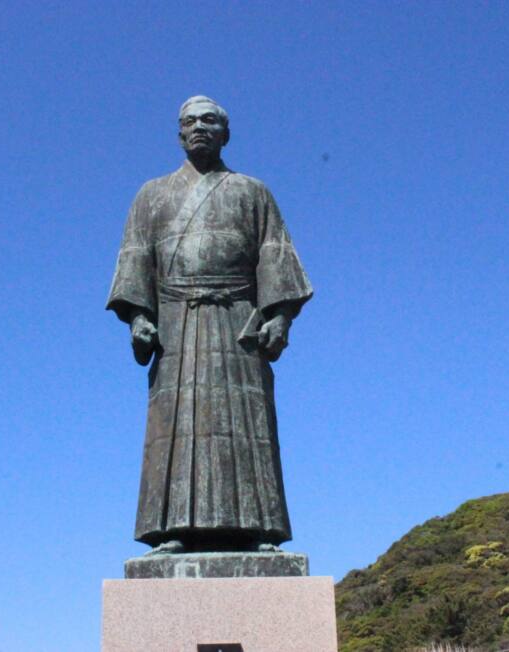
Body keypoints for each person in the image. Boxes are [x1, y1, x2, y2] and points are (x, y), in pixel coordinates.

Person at [107, 96, 312, 554]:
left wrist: (279, 316)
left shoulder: (252, 191)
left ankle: (256, 528)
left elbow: (275, 254)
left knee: (247, 423)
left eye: (210, 120)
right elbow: (136, 260)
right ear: (179, 134)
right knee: (175, 426)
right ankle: (172, 526)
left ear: (226, 132)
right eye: (190, 122)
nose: (199, 127)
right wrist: (139, 316)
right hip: (176, 323)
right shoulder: (151, 195)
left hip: (239, 323)